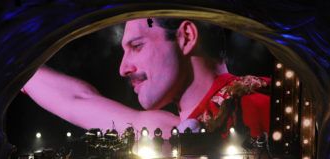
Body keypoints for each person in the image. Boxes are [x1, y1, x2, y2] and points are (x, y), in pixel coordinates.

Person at [22, 18, 270, 139]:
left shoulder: (259, 107)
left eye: (137, 46)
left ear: (185, 36)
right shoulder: (172, 128)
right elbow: (77, 100)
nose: (123, 68)